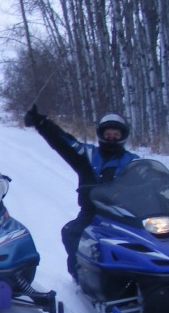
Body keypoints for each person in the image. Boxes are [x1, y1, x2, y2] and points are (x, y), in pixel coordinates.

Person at [24, 104, 139, 280]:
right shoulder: (88, 154)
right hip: (92, 212)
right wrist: (41, 123)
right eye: (108, 134)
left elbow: (149, 180)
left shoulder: (132, 161)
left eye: (116, 135)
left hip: (125, 213)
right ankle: (81, 273)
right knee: (72, 232)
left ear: (123, 136)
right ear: (101, 134)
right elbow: (63, 141)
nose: (112, 138)